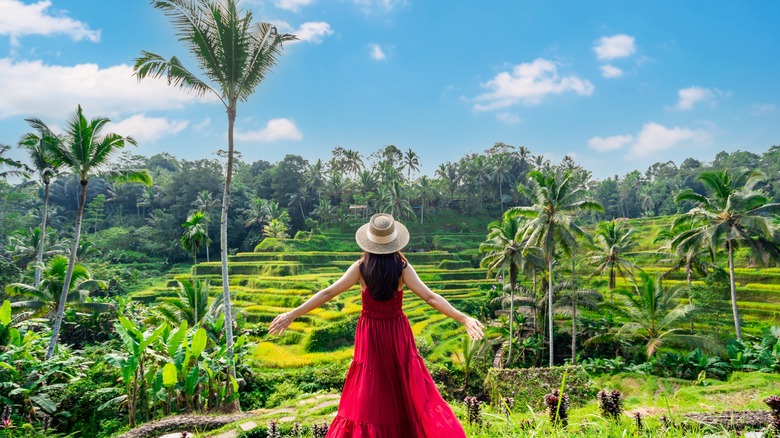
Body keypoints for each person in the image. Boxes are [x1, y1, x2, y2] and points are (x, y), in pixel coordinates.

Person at [269, 213, 484, 437]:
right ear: (395, 241)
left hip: (370, 333)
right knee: (402, 382)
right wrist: (463, 318)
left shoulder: (361, 267)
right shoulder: (402, 267)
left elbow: (328, 292)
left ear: (369, 242)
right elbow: (430, 297)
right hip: (396, 331)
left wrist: (293, 313)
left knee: (372, 389)